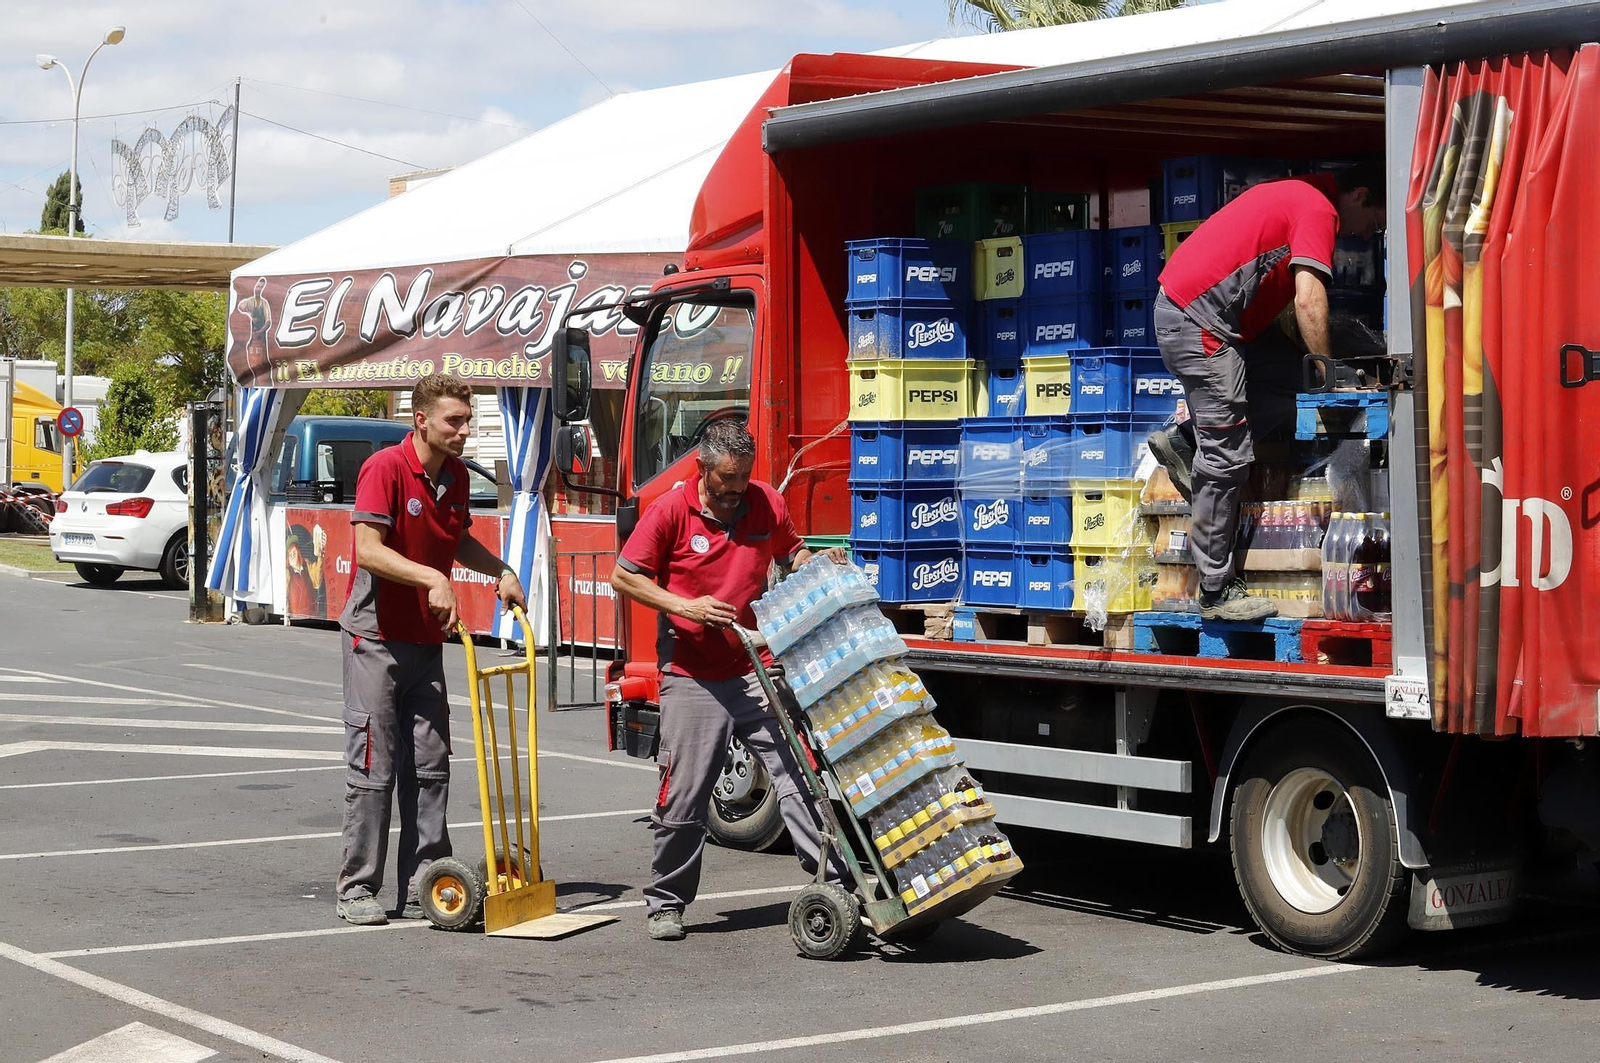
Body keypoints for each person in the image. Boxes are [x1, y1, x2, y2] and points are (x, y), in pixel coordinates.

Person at [610, 419, 847, 942]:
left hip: (753, 664)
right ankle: (666, 901)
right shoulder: (669, 510)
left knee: (798, 773)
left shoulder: (766, 502)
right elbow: (624, 576)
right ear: (702, 468)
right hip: (692, 671)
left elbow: (792, 554)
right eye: (727, 479)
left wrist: (816, 561)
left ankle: (834, 883)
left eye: (744, 477)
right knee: (685, 792)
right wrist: (685, 606)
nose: (737, 489)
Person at [1146, 162, 1386, 621]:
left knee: (1297, 381)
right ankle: (1216, 591)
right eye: (1374, 222)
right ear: (1359, 195)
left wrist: (1320, 376)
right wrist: (1329, 375)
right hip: (1200, 324)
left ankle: (1188, 439)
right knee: (1227, 458)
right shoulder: (1318, 210)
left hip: (1227, 324)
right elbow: (1307, 299)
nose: (1366, 234)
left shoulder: (1299, 196)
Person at [334, 374, 527, 926]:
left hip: (426, 640)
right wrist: (431, 578)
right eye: (454, 421)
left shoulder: (457, 475)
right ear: (421, 420)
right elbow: (367, 550)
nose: (464, 431)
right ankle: (357, 888)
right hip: (375, 638)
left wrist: (501, 571)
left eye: (467, 421)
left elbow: (458, 540)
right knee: (374, 766)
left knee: (430, 764)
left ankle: (427, 880)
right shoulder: (386, 468)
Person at [234, 276, 273, 386]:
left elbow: (268, 322)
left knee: (261, 365)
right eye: (257, 286)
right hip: (251, 339)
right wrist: (249, 315)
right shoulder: (250, 301)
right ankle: (252, 385)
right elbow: (241, 306)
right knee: (251, 365)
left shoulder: (264, 303)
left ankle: (262, 386)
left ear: (263, 289)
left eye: (260, 287)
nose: (258, 289)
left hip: (260, 339)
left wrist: (260, 332)